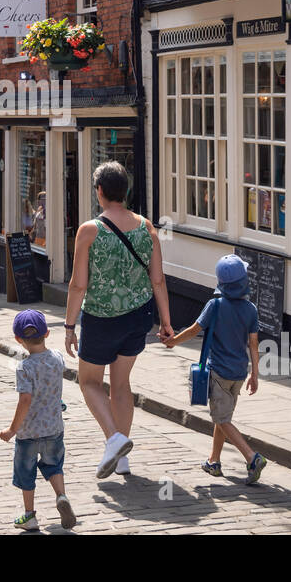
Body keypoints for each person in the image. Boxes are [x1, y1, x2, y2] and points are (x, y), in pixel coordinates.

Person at [64, 161, 174, 479]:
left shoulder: (89, 231)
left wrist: (69, 326)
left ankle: (114, 439)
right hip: (138, 317)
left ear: (100, 191)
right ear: (124, 191)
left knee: (89, 382)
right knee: (121, 384)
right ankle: (121, 457)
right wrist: (166, 322)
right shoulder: (147, 227)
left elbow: (78, 284)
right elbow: (158, 281)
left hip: (101, 318)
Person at [164, 254, 270, 485]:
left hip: (219, 372)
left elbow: (194, 330)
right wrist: (255, 374)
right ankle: (214, 461)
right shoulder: (250, 309)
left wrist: (173, 341)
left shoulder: (215, 305)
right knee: (223, 416)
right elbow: (253, 343)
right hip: (240, 373)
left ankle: (252, 458)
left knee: (221, 419)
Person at [0, 310, 76, 532]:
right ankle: (61, 496)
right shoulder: (58, 358)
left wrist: (12, 429)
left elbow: (25, 400)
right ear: (48, 333)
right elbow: (51, 387)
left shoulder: (24, 367)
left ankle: (29, 516)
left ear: (18, 340)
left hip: (28, 433)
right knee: (54, 465)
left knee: (26, 473)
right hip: (53, 428)